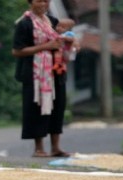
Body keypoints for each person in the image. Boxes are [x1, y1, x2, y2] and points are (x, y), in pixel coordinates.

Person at [12, 0, 78, 157]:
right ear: (31, 2)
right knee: (37, 107)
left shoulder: (52, 21)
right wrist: (45, 47)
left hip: (56, 70)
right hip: (35, 73)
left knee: (58, 106)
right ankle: (39, 148)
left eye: (46, 1)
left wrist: (71, 42)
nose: (43, 4)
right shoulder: (24, 24)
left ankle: (56, 147)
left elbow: (62, 36)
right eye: (39, 0)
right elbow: (17, 51)